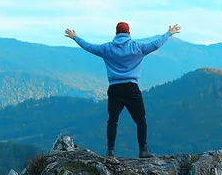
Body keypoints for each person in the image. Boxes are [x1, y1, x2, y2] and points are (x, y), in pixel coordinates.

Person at [64, 21, 181, 159]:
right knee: (140, 120)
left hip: (115, 88)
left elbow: (89, 47)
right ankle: (143, 150)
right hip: (132, 88)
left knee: (113, 120)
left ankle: (110, 151)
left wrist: (75, 37)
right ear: (129, 33)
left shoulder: (107, 48)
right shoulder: (137, 47)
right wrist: (169, 33)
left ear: (116, 33)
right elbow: (155, 44)